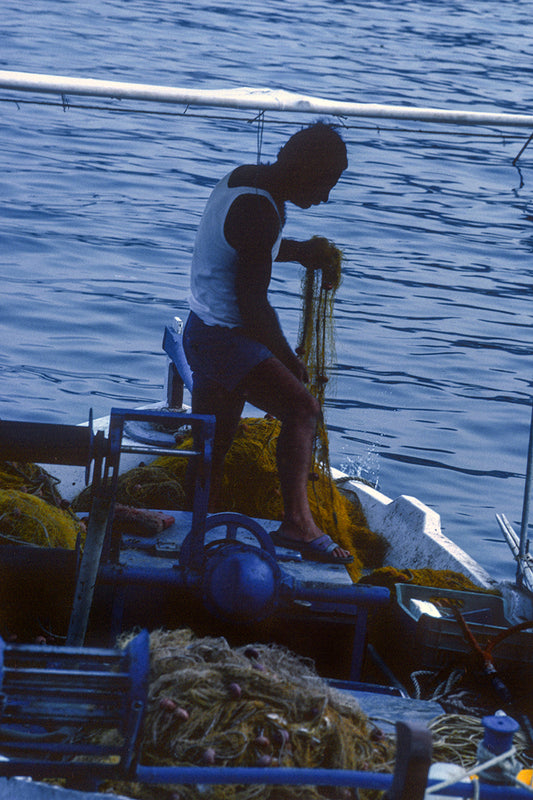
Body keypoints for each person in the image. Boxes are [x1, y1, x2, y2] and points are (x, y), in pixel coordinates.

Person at [183, 122, 352, 564]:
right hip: (225, 340)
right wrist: (286, 359)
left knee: (213, 449)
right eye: (324, 184)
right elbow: (253, 305)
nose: (325, 198)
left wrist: (302, 251)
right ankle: (297, 523)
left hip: (202, 332)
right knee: (302, 408)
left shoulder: (248, 181)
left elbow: (254, 247)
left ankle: (196, 528)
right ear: (302, 170)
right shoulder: (262, 209)